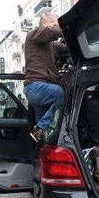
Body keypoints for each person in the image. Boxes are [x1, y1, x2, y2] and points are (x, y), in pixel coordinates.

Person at [23, 13, 67, 142]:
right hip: (36, 87)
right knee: (59, 93)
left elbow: (65, 48)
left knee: (45, 137)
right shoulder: (33, 34)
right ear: (44, 23)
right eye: (54, 25)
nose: (56, 29)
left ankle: (39, 151)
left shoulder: (51, 45)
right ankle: (40, 128)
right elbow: (50, 32)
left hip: (40, 90)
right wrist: (67, 30)